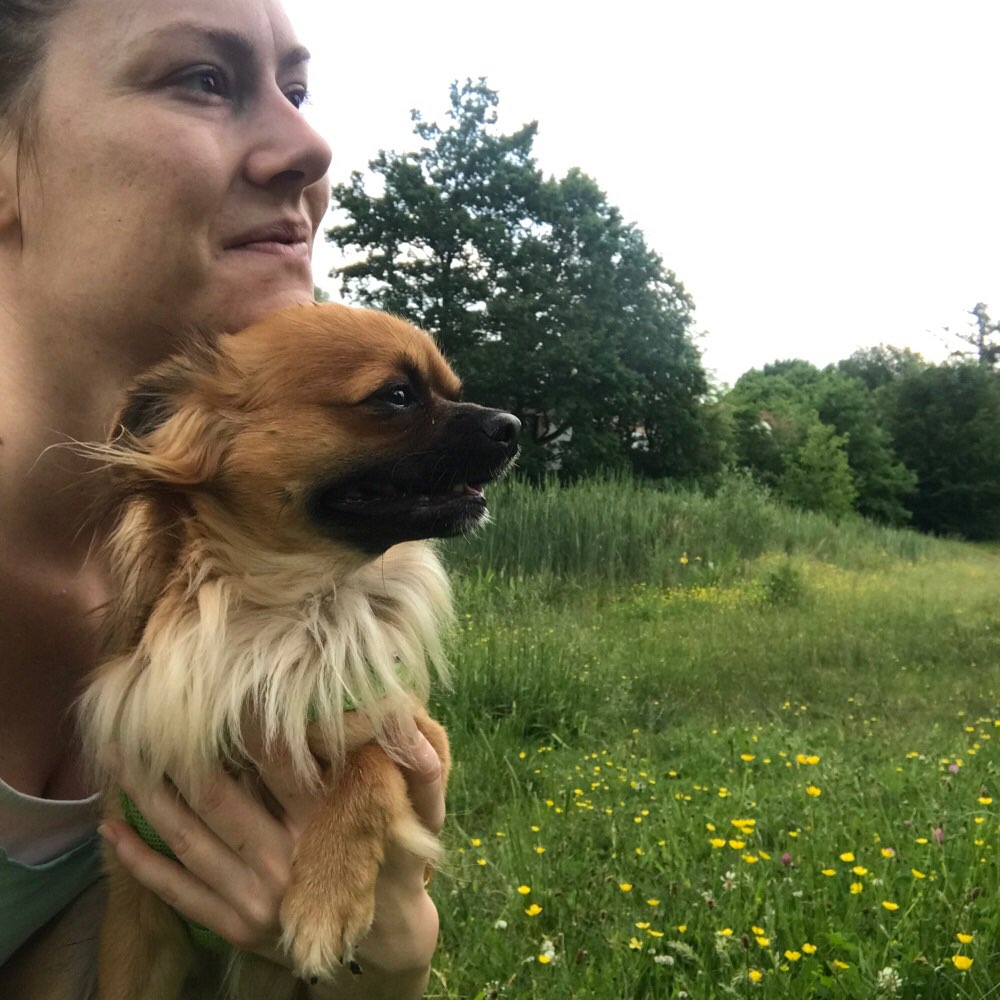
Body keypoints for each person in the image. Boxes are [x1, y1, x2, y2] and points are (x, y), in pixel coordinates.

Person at [0, 0, 446, 996]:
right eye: (202, 78)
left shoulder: (238, 578)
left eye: (299, 87)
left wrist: (385, 972)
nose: (309, 145)